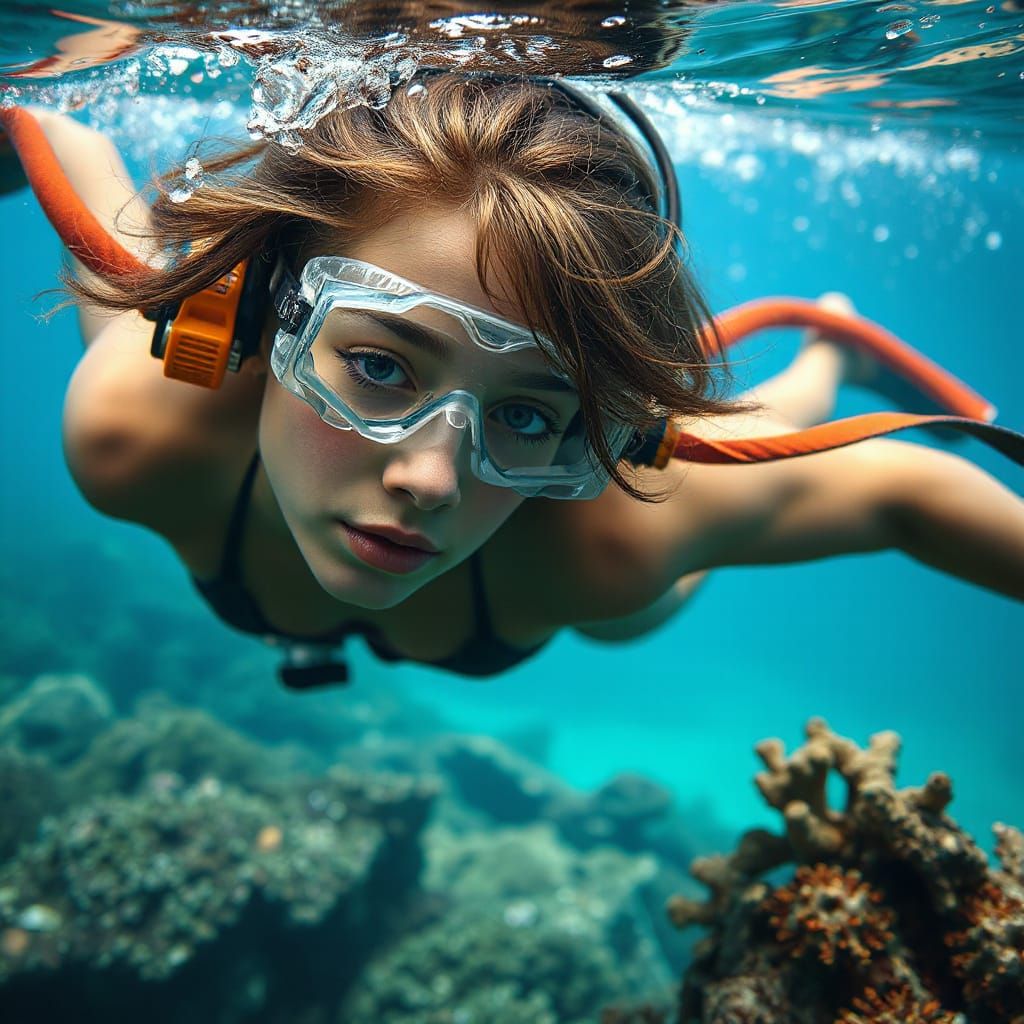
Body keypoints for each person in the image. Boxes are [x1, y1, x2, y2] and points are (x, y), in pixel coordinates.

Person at [9, 74, 1024, 688]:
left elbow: (902, 491)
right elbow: (67, 149)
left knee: (733, 436)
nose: (431, 479)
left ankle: (827, 350)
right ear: (247, 316)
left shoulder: (607, 546)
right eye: (376, 364)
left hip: (582, 565)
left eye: (533, 414)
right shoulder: (143, 426)